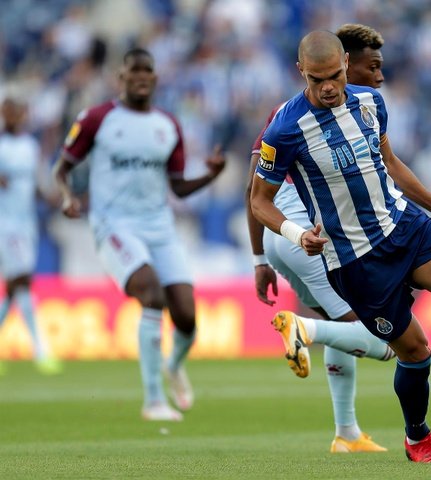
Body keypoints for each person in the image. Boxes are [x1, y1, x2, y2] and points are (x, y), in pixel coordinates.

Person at [251, 30, 431, 463]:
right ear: (301, 73)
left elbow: (390, 163)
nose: (328, 87)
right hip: (356, 261)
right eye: (317, 80)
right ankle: (417, 438)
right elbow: (259, 199)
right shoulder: (285, 129)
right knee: (415, 352)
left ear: (345, 66)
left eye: (334, 76)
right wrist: (297, 235)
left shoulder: (370, 102)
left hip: (406, 226)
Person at [53, 48, 226, 421]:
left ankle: (173, 365)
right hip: (114, 225)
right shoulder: (98, 118)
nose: (141, 77)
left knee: (187, 316)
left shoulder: (168, 126)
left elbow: (177, 188)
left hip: (159, 227)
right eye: (134, 71)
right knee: (151, 292)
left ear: (156, 79)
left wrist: (211, 175)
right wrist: (68, 198)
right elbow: (62, 168)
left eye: (148, 71)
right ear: (121, 77)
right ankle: (153, 400)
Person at [246, 24, 395, 453]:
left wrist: (261, 257)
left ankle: (346, 432)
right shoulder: (292, 118)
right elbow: (256, 190)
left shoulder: (355, 112)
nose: (378, 77)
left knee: (339, 327)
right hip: (305, 236)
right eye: (372, 67)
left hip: (286, 240)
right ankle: (302, 329)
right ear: (342, 61)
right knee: (384, 339)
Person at [0, 97, 62, 375]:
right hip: (6, 223)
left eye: (18, 111)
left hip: (27, 224)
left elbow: (35, 184)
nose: (14, 116)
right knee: (22, 281)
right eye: (9, 112)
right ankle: (40, 350)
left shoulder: (29, 146)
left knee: (16, 287)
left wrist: (52, 198)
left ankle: (39, 349)